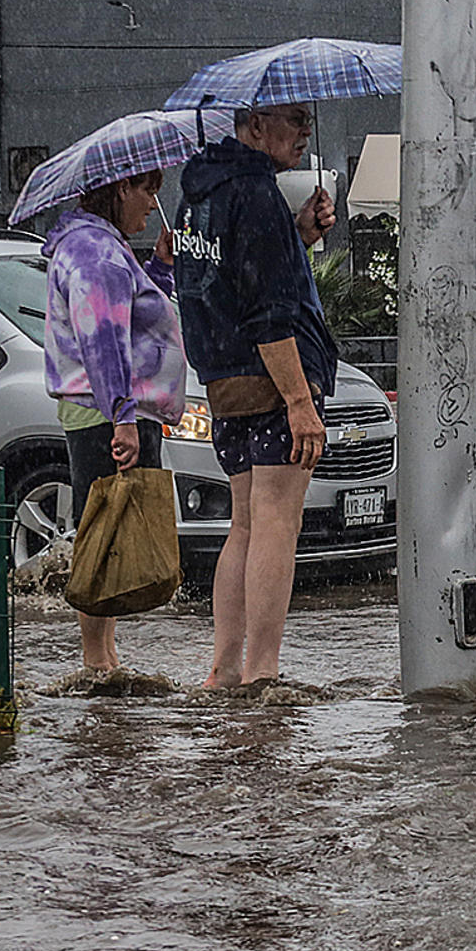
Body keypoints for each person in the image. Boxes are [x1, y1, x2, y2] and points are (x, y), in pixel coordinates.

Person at [173, 102, 337, 690]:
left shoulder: (199, 195)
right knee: (276, 523)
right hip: (271, 382)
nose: (305, 131)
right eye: (295, 119)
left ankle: (224, 668)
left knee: (243, 523)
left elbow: (225, 276)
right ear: (256, 126)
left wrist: (298, 234)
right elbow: (269, 310)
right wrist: (299, 400)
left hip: (223, 383)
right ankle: (262, 672)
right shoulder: (256, 194)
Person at [43, 168, 188, 672]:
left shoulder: (104, 247)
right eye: (147, 190)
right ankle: (96, 659)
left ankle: (102, 655)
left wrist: (161, 269)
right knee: (101, 528)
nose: (152, 203)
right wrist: (122, 417)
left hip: (110, 408)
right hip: (106, 411)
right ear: (120, 188)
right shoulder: (93, 252)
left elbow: (135, 317)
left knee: (107, 524)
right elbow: (102, 341)